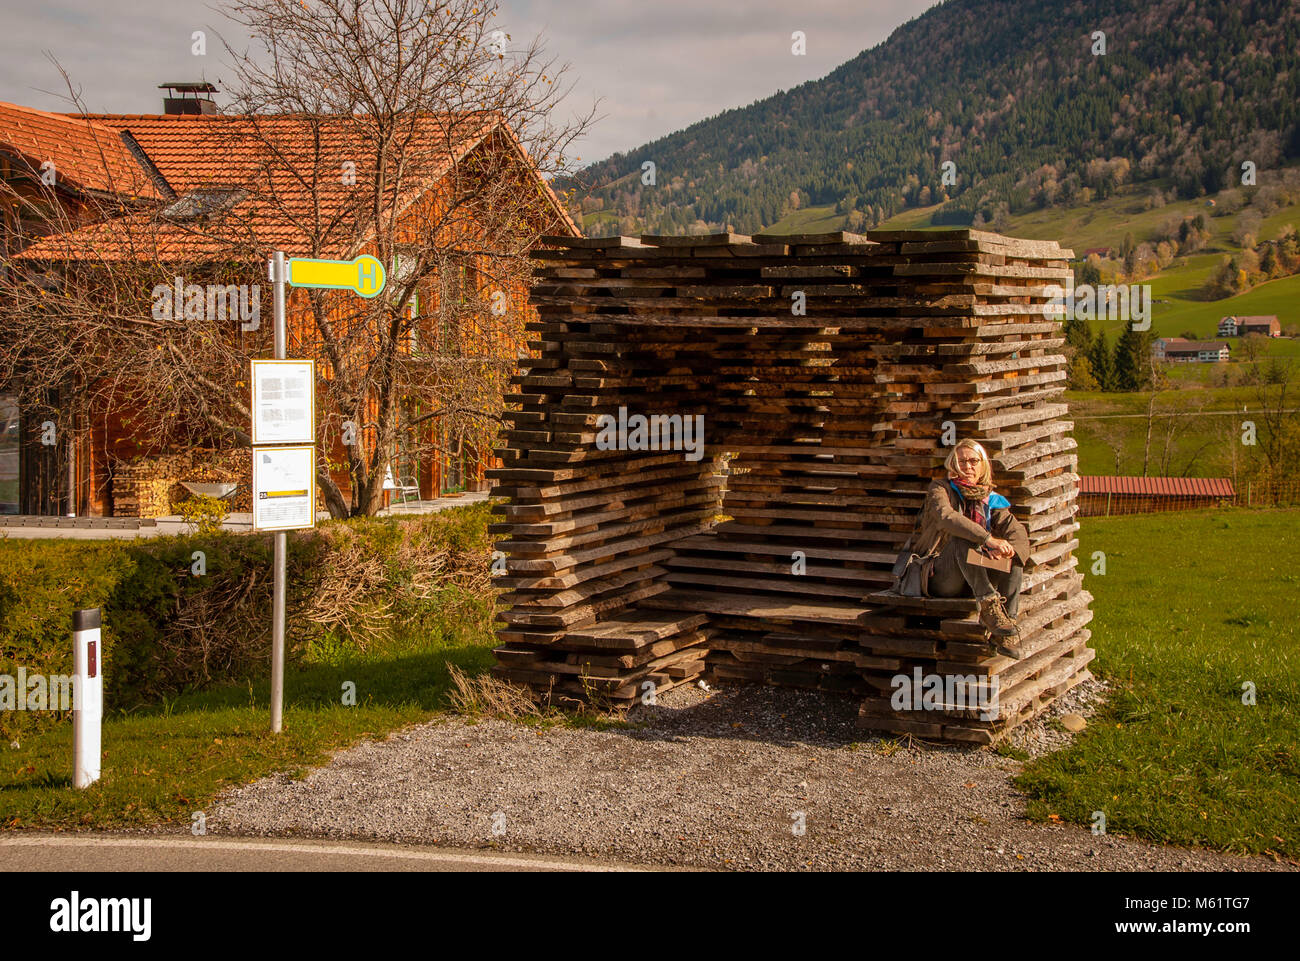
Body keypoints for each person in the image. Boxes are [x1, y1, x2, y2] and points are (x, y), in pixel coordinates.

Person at [894, 438, 1030, 657]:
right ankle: (988, 605)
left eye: (974, 461)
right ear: (953, 465)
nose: (968, 467)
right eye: (962, 461)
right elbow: (946, 518)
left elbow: (1016, 530)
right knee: (962, 538)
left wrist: (1010, 548)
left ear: (983, 464)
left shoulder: (990, 499)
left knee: (1012, 555)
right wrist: (988, 539)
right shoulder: (940, 489)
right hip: (941, 577)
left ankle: (1005, 627)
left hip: (975, 578)